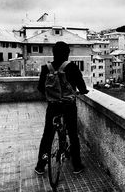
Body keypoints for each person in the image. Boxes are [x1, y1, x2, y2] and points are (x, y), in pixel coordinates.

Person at [35, 41, 89, 175]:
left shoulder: (46, 68)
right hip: (68, 106)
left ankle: (41, 166)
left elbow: (41, 88)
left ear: (53, 53)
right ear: (67, 54)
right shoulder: (72, 67)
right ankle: (77, 165)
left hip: (53, 106)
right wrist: (82, 91)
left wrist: (52, 95)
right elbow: (81, 87)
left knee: (47, 136)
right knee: (73, 134)